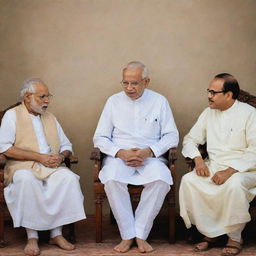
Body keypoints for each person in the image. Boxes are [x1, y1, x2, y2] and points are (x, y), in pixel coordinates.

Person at [93, 61, 179, 253]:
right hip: (119, 157)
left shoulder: (159, 101)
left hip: (151, 157)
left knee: (160, 180)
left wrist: (149, 151)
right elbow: (99, 137)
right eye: (125, 83)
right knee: (112, 179)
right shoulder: (113, 101)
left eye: (134, 83)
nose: (129, 88)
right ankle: (128, 235)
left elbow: (172, 135)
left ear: (146, 82)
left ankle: (140, 234)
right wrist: (120, 153)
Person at [0, 78, 86, 256]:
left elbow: (67, 145)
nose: (47, 100)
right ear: (27, 96)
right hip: (22, 166)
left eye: (48, 96)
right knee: (26, 179)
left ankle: (56, 234)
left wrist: (61, 156)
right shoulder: (12, 115)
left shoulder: (50, 117)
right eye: (42, 96)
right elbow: (5, 148)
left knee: (67, 178)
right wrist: (39, 157)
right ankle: (32, 236)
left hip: (51, 166)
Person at [179, 73, 256, 256]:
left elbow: (255, 150)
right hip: (214, 165)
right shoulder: (208, 113)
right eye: (208, 91)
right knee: (189, 181)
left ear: (228, 95)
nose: (209, 96)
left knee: (234, 186)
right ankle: (210, 233)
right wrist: (198, 160)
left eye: (213, 92)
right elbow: (190, 139)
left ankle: (235, 238)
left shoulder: (249, 113)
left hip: (245, 169)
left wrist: (229, 171)